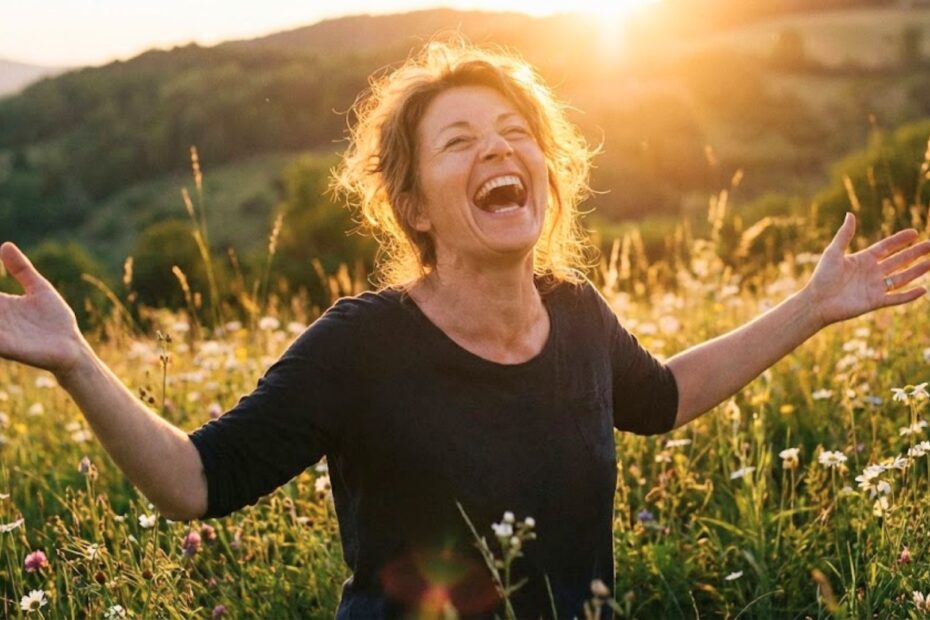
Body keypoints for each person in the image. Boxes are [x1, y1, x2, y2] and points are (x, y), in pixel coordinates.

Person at [1, 40, 930, 619]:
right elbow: (197, 484)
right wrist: (77, 360)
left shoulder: (576, 314)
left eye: (515, 129)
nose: (499, 148)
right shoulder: (359, 346)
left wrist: (810, 310)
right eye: (459, 141)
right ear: (412, 204)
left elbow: (666, 398)